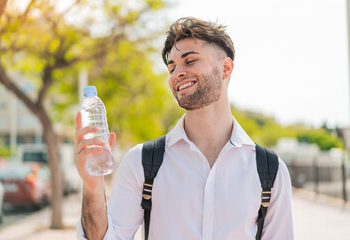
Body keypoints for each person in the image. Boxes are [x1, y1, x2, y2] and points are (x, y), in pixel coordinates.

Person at [75, 17, 294, 240]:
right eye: (172, 68)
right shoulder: (142, 162)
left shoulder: (270, 170)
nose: (177, 73)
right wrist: (92, 187)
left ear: (225, 68)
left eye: (190, 61)